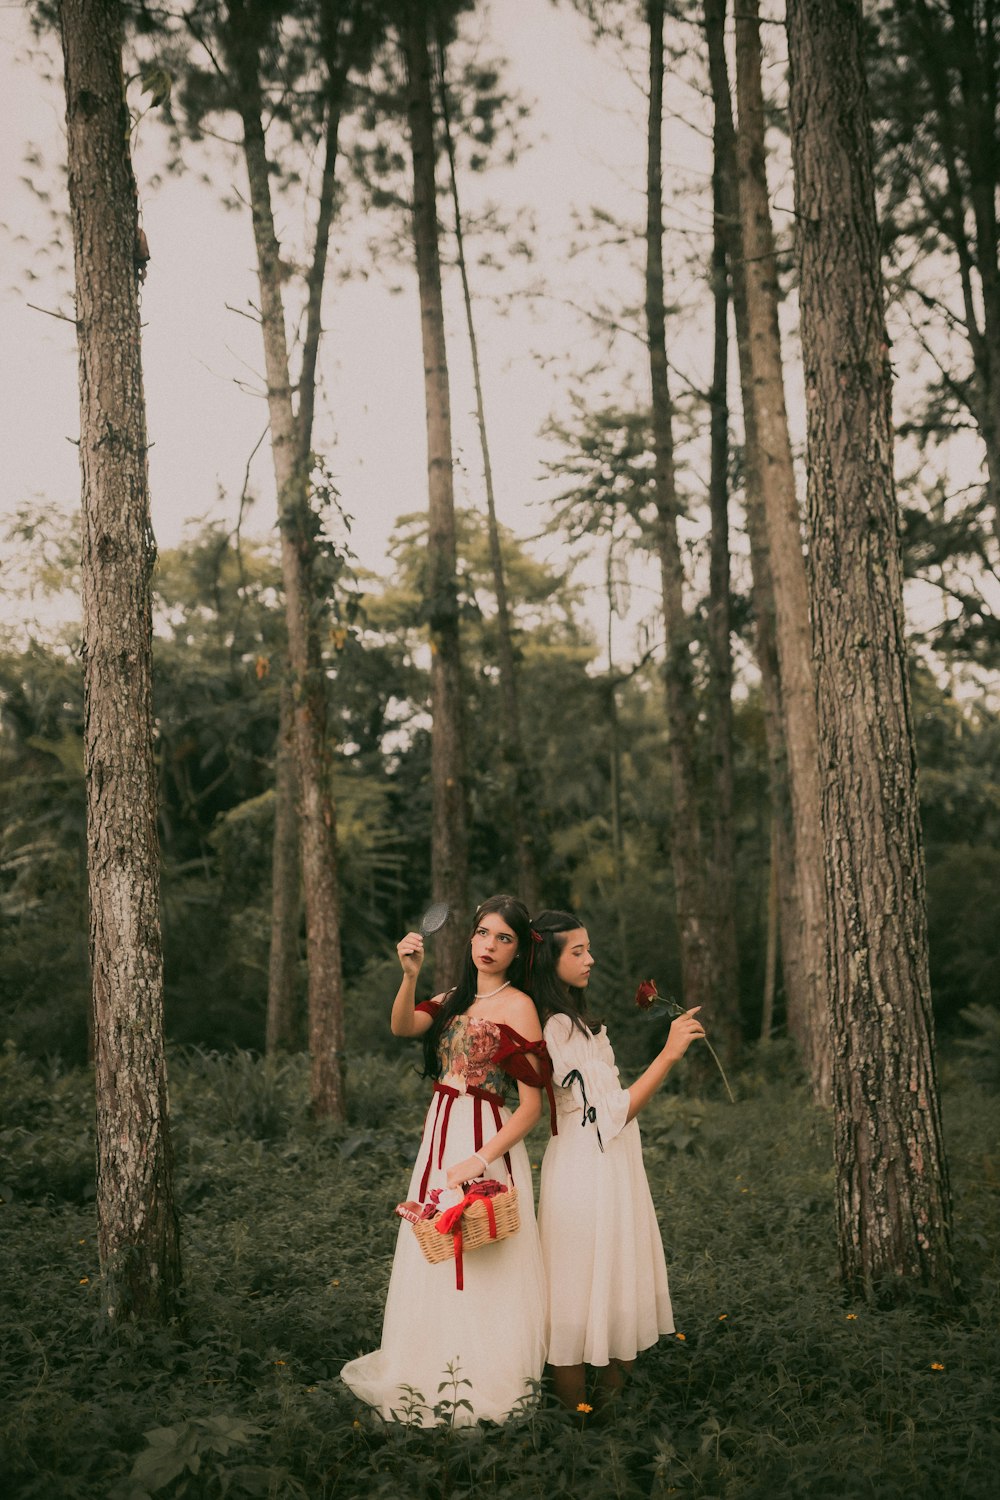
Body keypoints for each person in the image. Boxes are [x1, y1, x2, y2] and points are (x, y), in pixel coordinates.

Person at [340, 894, 553, 1427]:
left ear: (518, 949)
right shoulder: (452, 998)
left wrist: (479, 1160)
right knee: (435, 1253)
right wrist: (408, 975)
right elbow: (403, 1027)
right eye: (484, 933)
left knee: (486, 1256)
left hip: (486, 1139)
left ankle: (487, 1380)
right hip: (440, 1133)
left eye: (505, 938)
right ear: (470, 937)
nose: (490, 945)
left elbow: (531, 1108)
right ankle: (429, 1366)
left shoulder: (519, 1006)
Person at [529, 908, 705, 1412]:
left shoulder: (582, 1024)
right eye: (577, 951)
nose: (591, 959)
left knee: (614, 1283)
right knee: (575, 1293)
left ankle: (611, 1420)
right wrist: (668, 1054)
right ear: (549, 958)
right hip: (586, 1169)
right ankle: (578, 1429)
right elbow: (606, 1117)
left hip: (615, 1165)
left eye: (589, 948)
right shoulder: (554, 1027)